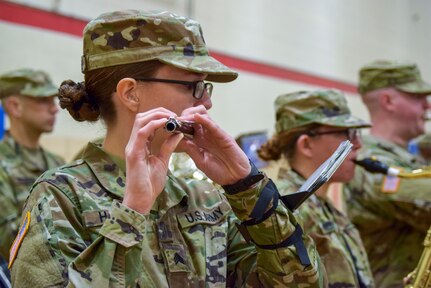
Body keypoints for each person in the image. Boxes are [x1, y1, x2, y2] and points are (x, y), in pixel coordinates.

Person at [9, 10, 325, 287]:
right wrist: (131, 213)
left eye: (206, 87)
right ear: (131, 93)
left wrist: (247, 188)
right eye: (193, 86)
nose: (206, 101)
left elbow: (301, 283)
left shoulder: (202, 197)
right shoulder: (61, 196)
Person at [258, 89, 374, 287]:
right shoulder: (286, 204)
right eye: (347, 134)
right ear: (306, 145)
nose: (358, 144)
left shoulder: (320, 203)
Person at [345, 60, 431, 287]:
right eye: (417, 97)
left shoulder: (406, 157)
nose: (427, 106)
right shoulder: (369, 162)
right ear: (388, 101)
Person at [0, 69, 65, 262]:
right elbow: (10, 240)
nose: (55, 108)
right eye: (43, 100)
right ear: (15, 106)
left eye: (53, 101)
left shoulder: (58, 163)